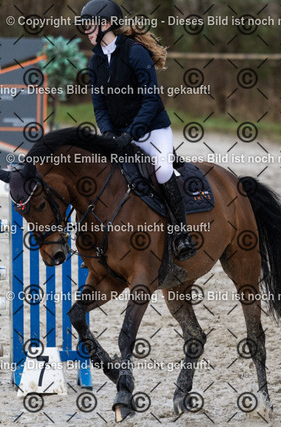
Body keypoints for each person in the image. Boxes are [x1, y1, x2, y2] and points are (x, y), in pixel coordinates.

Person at [80, 0, 196, 261]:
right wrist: (108, 133)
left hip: (152, 130)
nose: (86, 31)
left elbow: (151, 99)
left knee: (162, 170)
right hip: (117, 134)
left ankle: (181, 234)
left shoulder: (135, 52)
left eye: (89, 25)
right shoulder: (96, 62)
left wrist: (130, 134)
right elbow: (99, 105)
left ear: (106, 24)